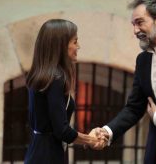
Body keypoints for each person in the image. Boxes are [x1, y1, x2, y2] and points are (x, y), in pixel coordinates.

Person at [90, 0, 156, 163]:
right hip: (154, 147)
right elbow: (134, 108)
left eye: (140, 22)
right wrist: (107, 131)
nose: (135, 30)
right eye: (133, 24)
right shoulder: (142, 60)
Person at [24, 19, 105, 164]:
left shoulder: (42, 74)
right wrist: (91, 140)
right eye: (75, 41)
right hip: (48, 156)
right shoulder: (56, 78)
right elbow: (62, 130)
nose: (78, 46)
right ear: (60, 46)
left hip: (38, 151)